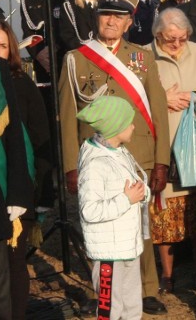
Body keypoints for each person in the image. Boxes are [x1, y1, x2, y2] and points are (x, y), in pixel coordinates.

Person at [58, 0, 170, 315]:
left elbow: (159, 110)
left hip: (139, 156)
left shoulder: (142, 57)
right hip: (96, 160)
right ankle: (104, 288)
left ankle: (147, 288)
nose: (111, 21)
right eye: (106, 14)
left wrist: (162, 159)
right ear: (97, 17)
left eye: (118, 17)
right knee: (102, 225)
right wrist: (69, 165)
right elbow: (66, 117)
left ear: (128, 22)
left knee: (139, 226)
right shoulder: (76, 59)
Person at [149, 8, 196, 292]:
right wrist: (162, 99)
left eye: (182, 38)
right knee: (163, 215)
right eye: (170, 39)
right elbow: (135, 96)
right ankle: (167, 275)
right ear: (158, 35)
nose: (177, 45)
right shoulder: (144, 57)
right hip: (163, 145)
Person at [0, 20, 51, 320]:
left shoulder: (22, 84)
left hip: (19, 186)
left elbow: (41, 139)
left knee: (14, 263)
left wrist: (42, 192)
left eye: (3, 46)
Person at [77, 96, 151, 320]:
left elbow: (132, 187)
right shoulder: (95, 164)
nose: (134, 126)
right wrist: (126, 200)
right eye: (129, 122)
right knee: (110, 310)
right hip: (108, 252)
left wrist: (142, 193)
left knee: (131, 306)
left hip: (127, 246)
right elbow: (89, 211)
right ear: (114, 127)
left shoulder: (120, 152)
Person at [57, 0, 100, 65]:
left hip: (103, 56)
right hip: (80, 57)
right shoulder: (69, 6)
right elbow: (67, 35)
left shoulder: (105, 3)